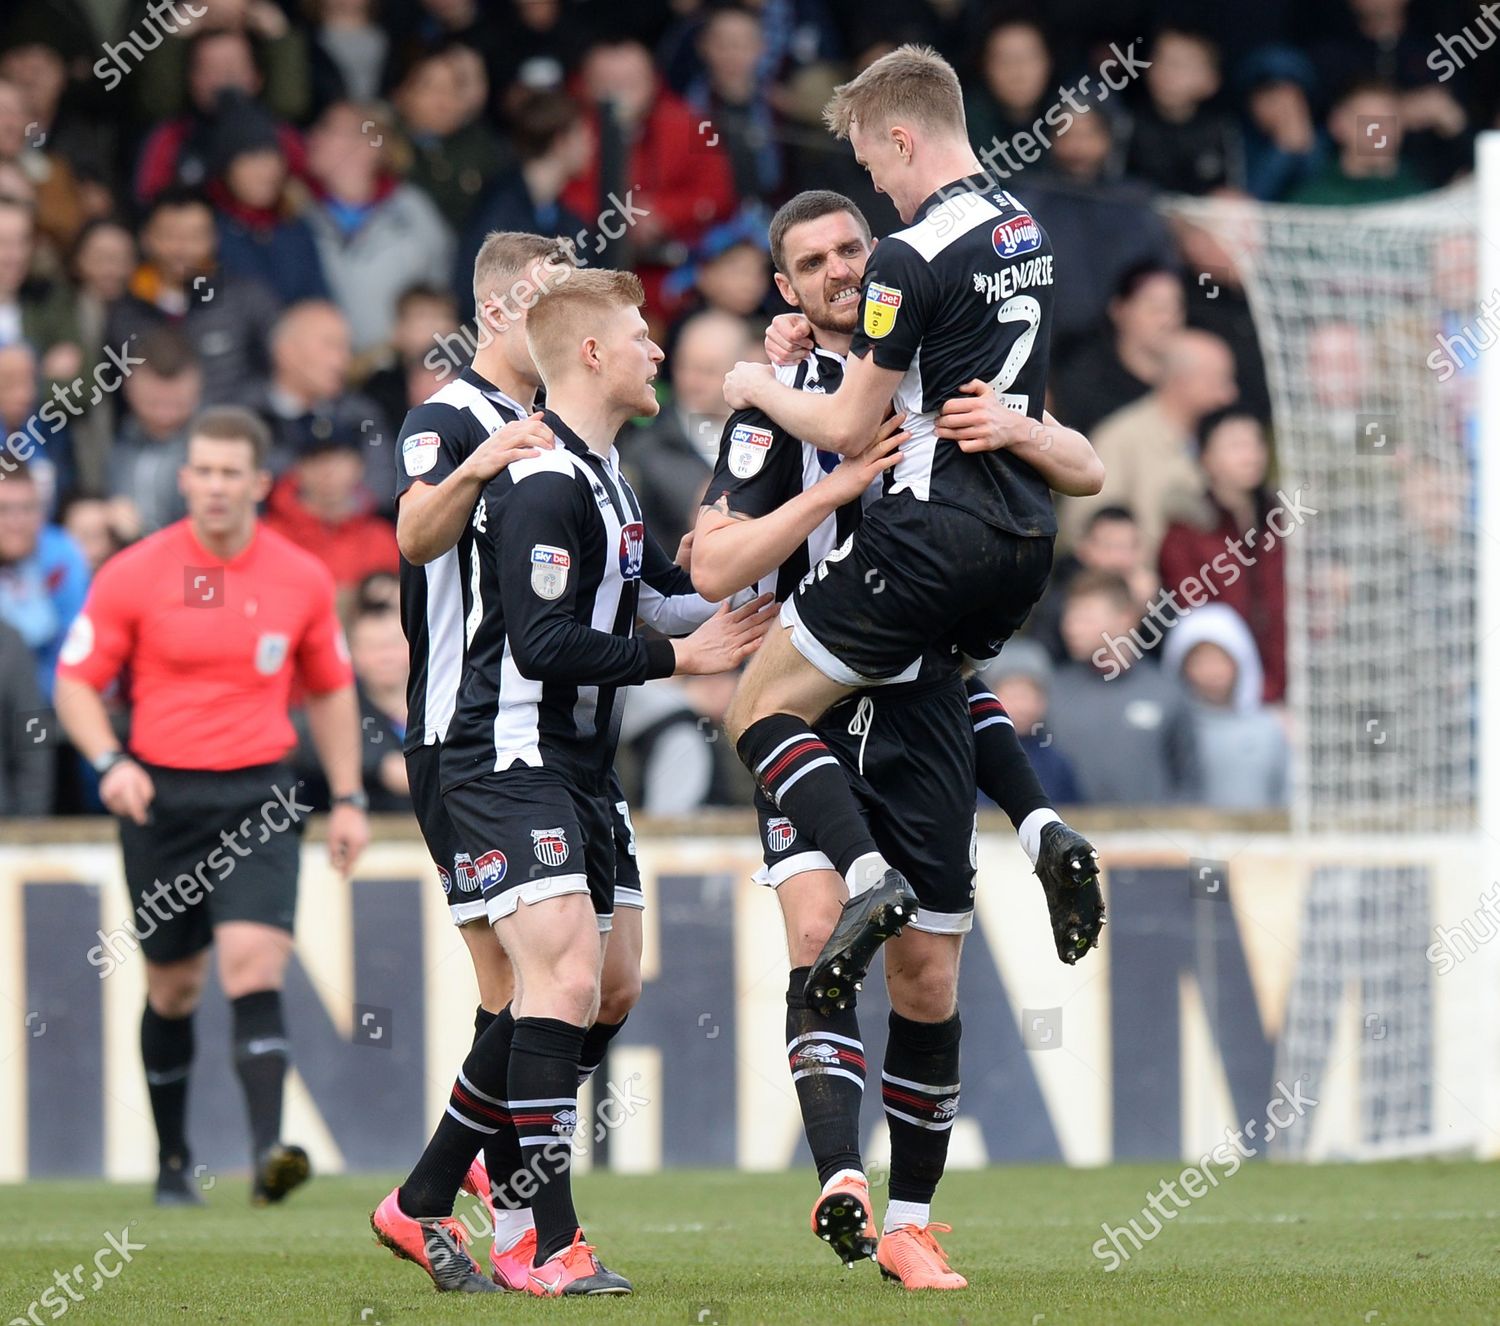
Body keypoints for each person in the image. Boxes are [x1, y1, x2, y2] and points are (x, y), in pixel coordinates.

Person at [694, 189, 1104, 1289]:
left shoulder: (939, 349)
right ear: (785, 289)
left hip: (921, 701)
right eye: (813, 262)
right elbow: (713, 565)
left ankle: (914, 1223)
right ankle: (841, 1177)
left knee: (926, 980)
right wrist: (828, 475)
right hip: (817, 703)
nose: (837, 271)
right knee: (817, 929)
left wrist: (1019, 427)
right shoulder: (781, 399)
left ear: (877, 262)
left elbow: (1078, 458)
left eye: (851, 251)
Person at [372, 267, 774, 1296]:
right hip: (501, 750)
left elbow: (639, 598)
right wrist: (683, 660)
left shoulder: (601, 473)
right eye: (640, 334)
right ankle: (542, 1237)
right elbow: (540, 634)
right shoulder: (521, 464)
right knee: (546, 982)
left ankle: (429, 1190)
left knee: (608, 984)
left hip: (583, 764)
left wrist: (736, 601)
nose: (656, 349)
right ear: (587, 349)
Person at [719, 46, 1074, 1016]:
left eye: (873, 165)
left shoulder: (909, 255)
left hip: (929, 533)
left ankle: (869, 872)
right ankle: (1039, 824)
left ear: (902, 138)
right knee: (947, 678)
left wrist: (754, 383)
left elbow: (843, 428)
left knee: (756, 710)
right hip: (1025, 541)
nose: (876, 185)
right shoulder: (1024, 228)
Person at [54, 406, 369, 1206]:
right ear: (185, 477)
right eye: (204, 470)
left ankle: (269, 1157)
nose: (216, 486)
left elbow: (332, 692)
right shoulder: (135, 572)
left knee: (253, 962)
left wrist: (346, 796)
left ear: (261, 484)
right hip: (162, 797)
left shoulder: (298, 577)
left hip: (260, 791)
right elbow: (76, 683)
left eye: (233, 472)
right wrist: (110, 761)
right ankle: (172, 1164)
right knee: (174, 987)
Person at [1059, 329, 1239, 559]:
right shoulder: (1121, 437)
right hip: (1141, 589)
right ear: (1183, 380)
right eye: (1219, 381)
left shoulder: (1215, 438)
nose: (1230, 394)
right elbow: (1082, 527)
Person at [1158, 411, 1286, 703]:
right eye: (1235, 445)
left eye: (1255, 444)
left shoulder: (1282, 523)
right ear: (1205, 458)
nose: (1251, 455)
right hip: (1219, 693)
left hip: (1287, 682)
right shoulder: (1186, 531)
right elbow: (1196, 617)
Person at [1047, 571, 1202, 805]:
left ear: (1126, 618)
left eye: (1085, 617)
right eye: (1069, 616)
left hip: (1152, 840)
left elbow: (1189, 785)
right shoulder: (1052, 692)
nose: (1070, 627)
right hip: (1068, 840)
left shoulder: (1167, 692)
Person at [1161, 603, 1288, 809]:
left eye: (1221, 660)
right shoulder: (1170, 730)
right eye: (1200, 662)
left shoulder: (1269, 729)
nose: (1212, 672)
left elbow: (1286, 796)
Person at [0, 460, 89, 698]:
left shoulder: (60, 552)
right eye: (4, 510)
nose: (17, 523)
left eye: (28, 508)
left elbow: (73, 644)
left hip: (51, 703)